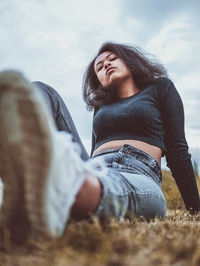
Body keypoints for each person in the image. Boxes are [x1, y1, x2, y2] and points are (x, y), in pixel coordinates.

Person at [0, 42, 199, 241]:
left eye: (112, 59)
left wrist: (195, 209)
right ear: (98, 80)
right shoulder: (101, 107)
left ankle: (57, 180)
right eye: (99, 66)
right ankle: (34, 149)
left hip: (137, 172)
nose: (106, 65)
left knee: (107, 184)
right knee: (41, 90)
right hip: (94, 166)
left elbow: (178, 152)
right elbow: (95, 150)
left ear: (130, 61)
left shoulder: (160, 88)